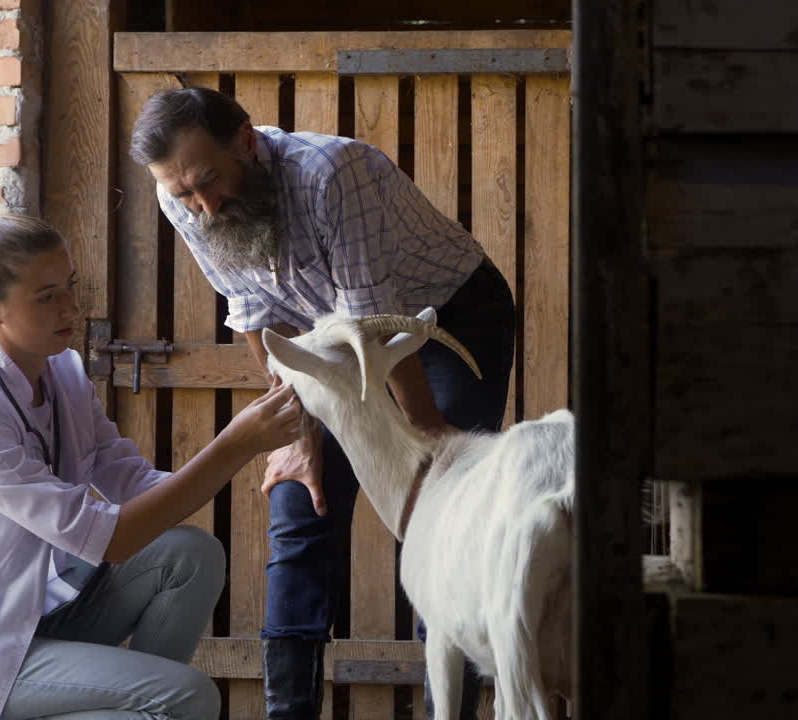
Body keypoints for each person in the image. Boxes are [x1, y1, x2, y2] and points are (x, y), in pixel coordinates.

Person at [130, 88, 516, 719]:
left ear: (247, 143)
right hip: (326, 335)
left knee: (437, 511)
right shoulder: (181, 198)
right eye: (183, 194)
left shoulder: (333, 173)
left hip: (445, 320)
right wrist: (297, 435)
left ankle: (447, 707)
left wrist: (425, 435)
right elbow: (258, 320)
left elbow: (374, 323)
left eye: (209, 181)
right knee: (300, 502)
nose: (202, 206)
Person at [0, 199, 303, 720]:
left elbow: (130, 479)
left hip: (34, 617)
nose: (71, 309)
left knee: (190, 555)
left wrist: (261, 454)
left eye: (71, 286)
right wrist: (233, 445)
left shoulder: (64, 373)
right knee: (190, 695)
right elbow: (113, 537)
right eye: (47, 297)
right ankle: (144, 708)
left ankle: (139, 709)